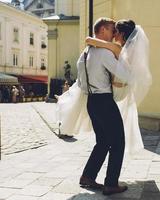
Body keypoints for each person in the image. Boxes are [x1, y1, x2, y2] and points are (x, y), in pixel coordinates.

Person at [56, 18, 152, 194]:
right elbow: (127, 76)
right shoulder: (104, 53)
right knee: (118, 142)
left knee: (103, 142)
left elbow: (82, 83)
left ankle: (87, 176)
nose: (114, 33)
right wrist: (127, 64)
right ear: (101, 31)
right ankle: (111, 183)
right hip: (105, 102)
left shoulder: (84, 53)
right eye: (111, 30)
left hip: (92, 102)